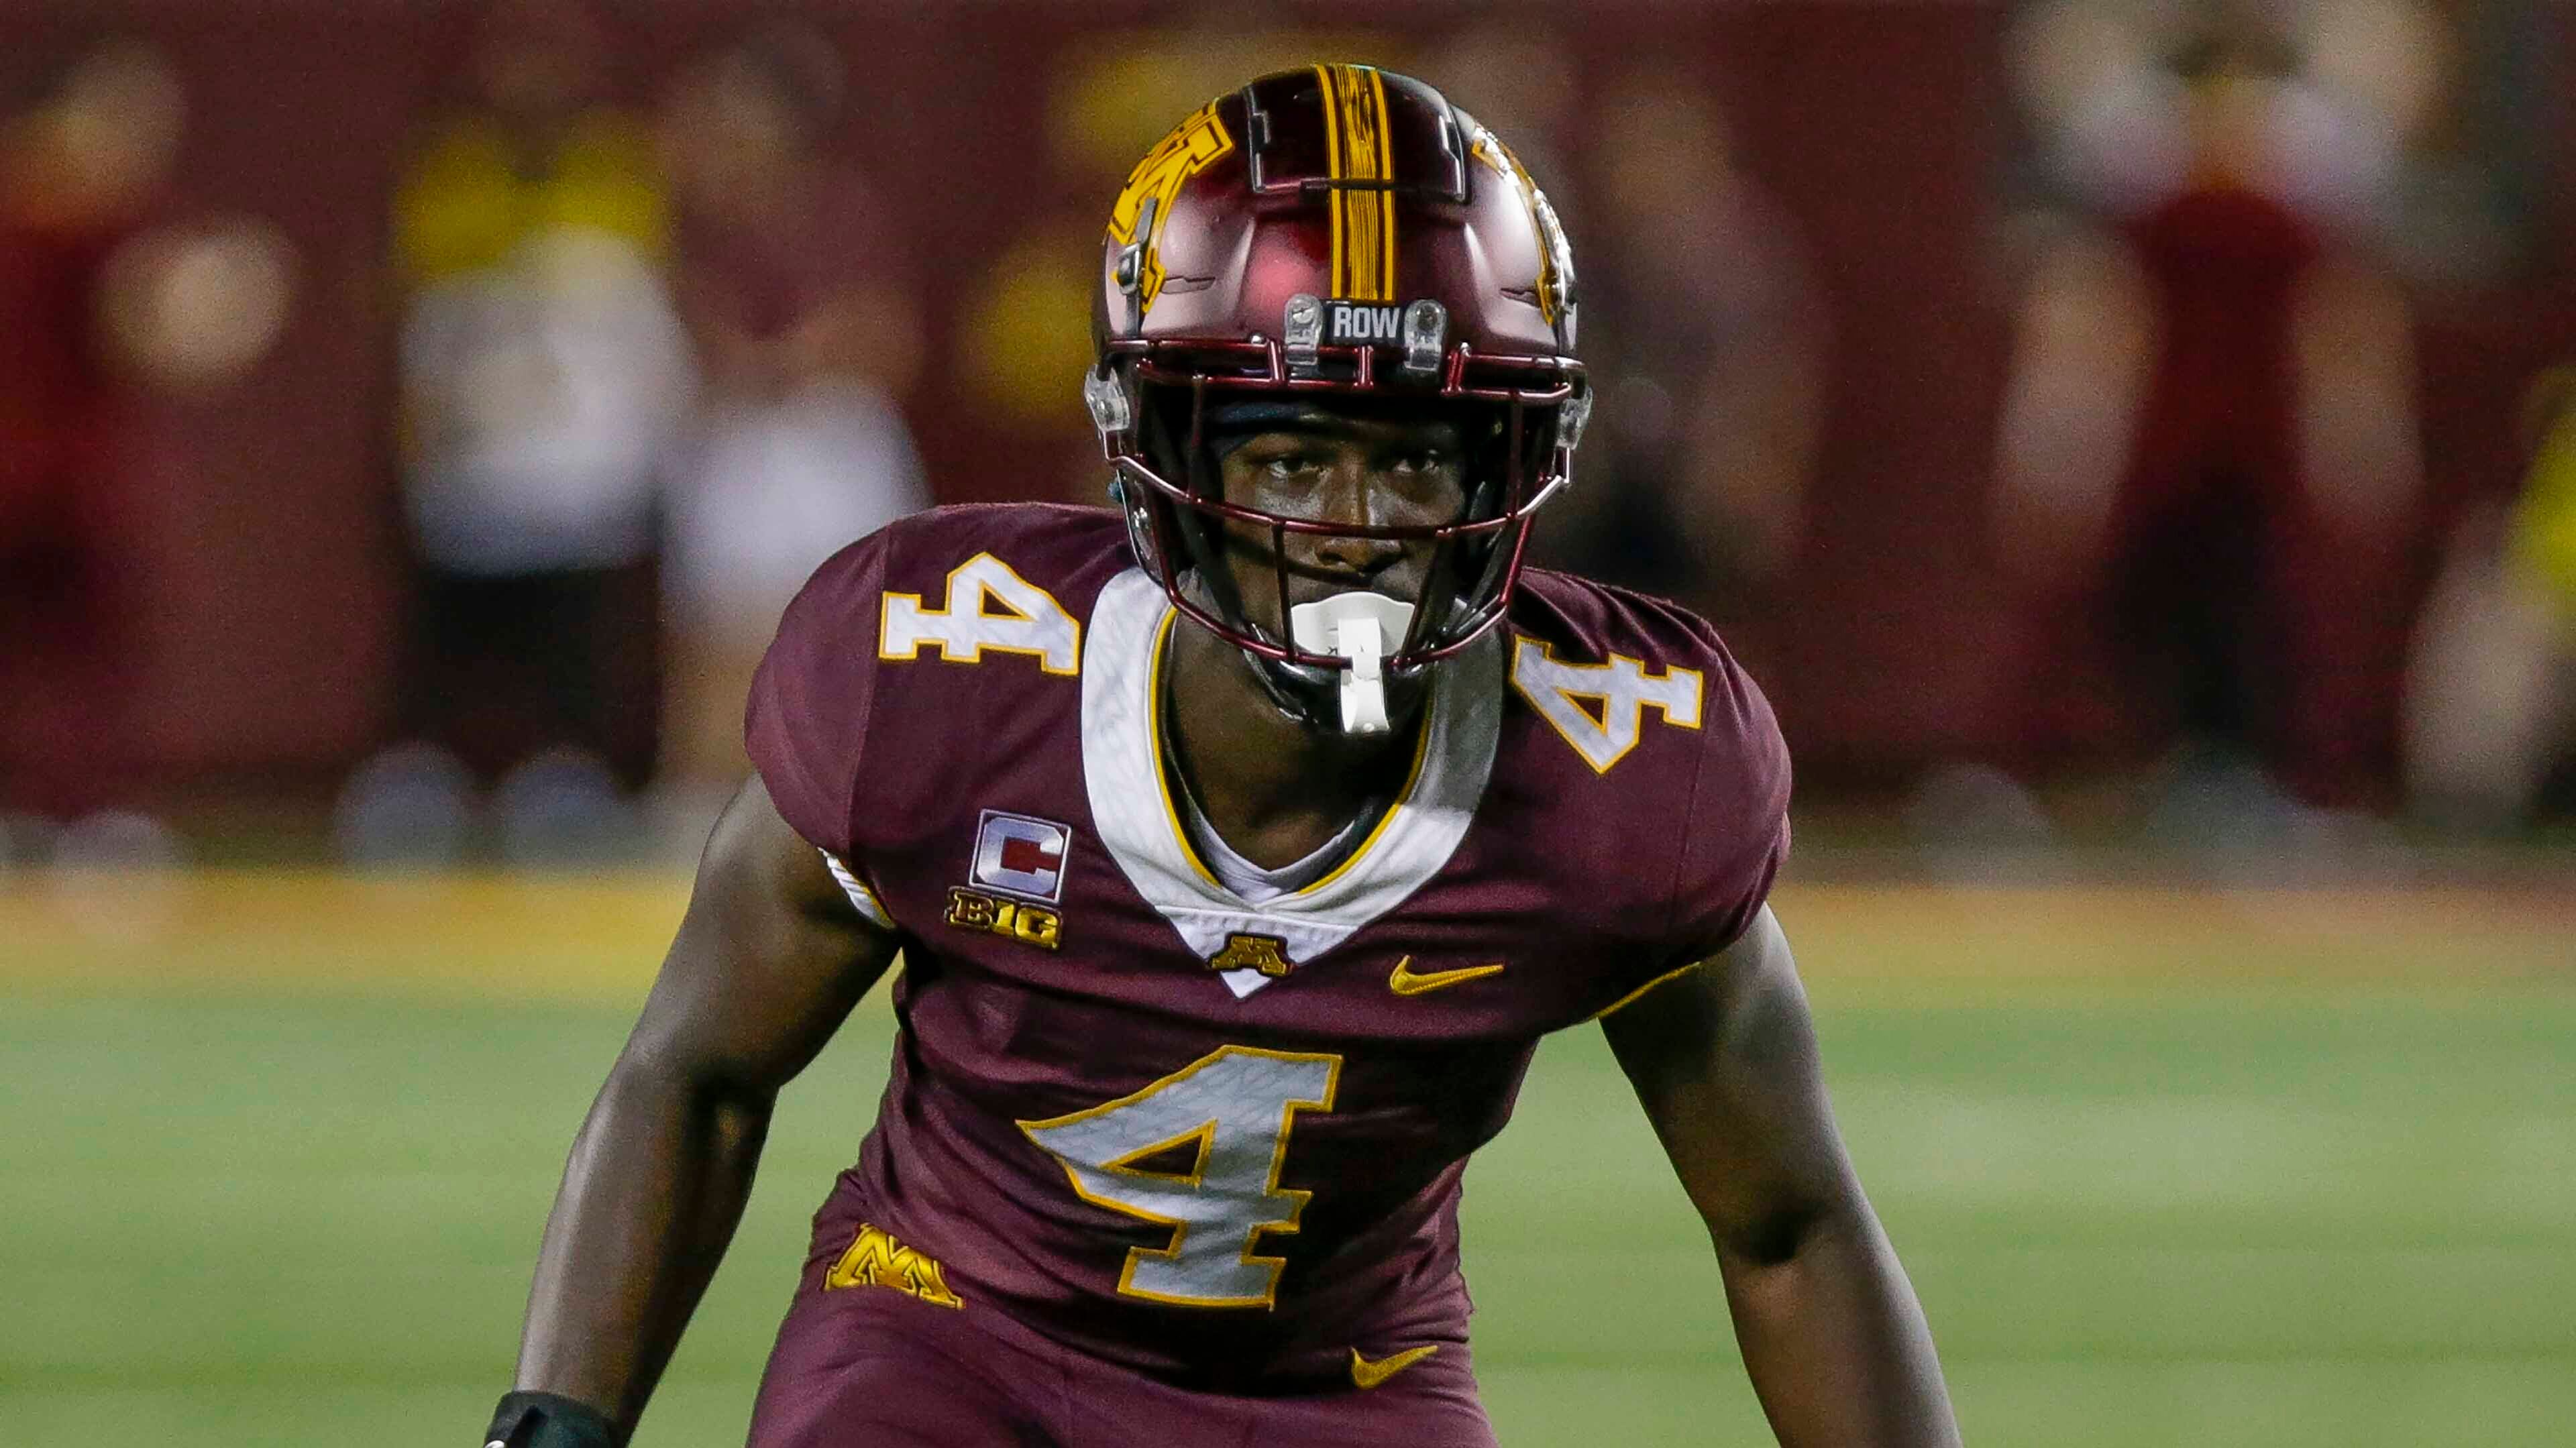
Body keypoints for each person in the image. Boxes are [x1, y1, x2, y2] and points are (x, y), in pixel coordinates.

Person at [486, 67, 1959, 1448]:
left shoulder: (1628, 773)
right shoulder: (943, 681)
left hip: (1343, 1391)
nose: (1359, 520)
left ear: (1511, 466)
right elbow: (695, 1072)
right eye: (1293, 455)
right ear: (1170, 461)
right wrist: (554, 1427)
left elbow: (1787, 1221)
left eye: (1421, 456)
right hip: (945, 1341)